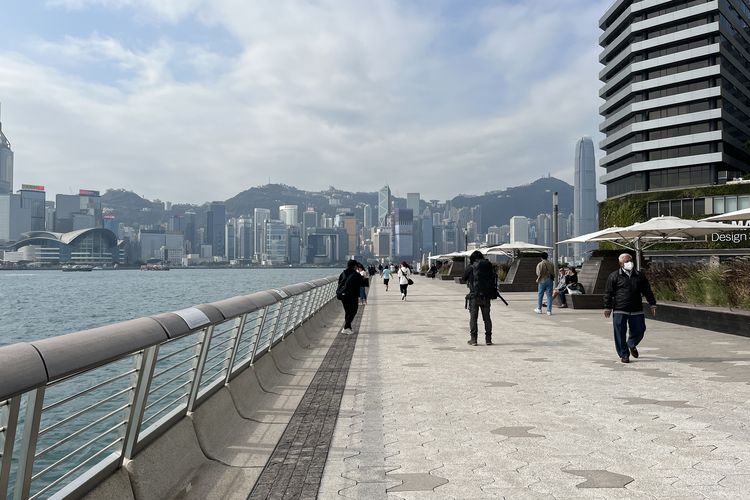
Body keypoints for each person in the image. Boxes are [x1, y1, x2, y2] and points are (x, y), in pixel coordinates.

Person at [604, 253, 657, 363]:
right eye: (626, 261)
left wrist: (652, 304)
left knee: (640, 329)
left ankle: (631, 344)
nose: (629, 263)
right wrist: (607, 307)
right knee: (620, 333)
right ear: (620, 263)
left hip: (636, 308)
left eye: (630, 261)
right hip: (620, 308)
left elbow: (647, 290)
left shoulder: (640, 275)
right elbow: (608, 293)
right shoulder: (614, 276)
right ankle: (624, 354)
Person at [462, 250, 494, 346]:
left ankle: (474, 339)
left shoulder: (471, 267)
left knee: (473, 318)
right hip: (486, 296)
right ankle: (488, 339)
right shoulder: (488, 266)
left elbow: (463, 278)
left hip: (474, 296)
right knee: (487, 318)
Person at [338, 259, 366, 335]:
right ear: (355, 266)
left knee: (347, 312)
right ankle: (345, 328)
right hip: (352, 296)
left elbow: (339, 283)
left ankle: (348, 328)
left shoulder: (342, 273)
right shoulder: (356, 274)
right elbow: (363, 284)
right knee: (353, 311)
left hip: (343, 295)